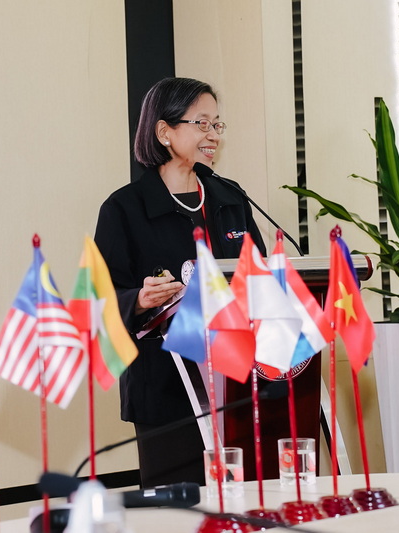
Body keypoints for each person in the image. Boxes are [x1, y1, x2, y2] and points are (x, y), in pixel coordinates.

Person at [94, 77, 266, 488]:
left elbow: (260, 275)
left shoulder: (230, 198)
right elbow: (99, 301)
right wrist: (139, 299)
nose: (213, 134)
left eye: (217, 124)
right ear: (164, 132)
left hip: (239, 381)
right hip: (165, 387)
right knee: (177, 511)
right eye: (201, 123)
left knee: (245, 502)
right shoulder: (124, 208)